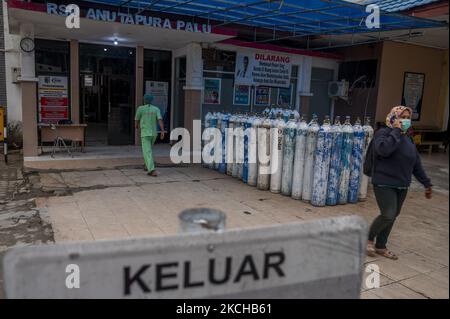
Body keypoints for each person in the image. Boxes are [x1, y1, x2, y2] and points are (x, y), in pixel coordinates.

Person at [367, 106, 432, 260]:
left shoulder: (408, 139)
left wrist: (426, 183)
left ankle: (381, 246)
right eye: (402, 116)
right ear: (393, 117)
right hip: (384, 182)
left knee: (393, 215)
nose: (406, 120)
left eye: (408, 117)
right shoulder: (382, 134)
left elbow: (416, 164)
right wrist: (395, 131)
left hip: (402, 184)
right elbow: (383, 150)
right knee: (388, 213)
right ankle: (368, 238)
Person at [135, 94, 165, 176]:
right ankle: (146, 165)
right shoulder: (156, 109)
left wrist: (136, 126)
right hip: (153, 134)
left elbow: (137, 120)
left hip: (145, 134)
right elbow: (160, 120)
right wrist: (162, 131)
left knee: (147, 151)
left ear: (144, 100)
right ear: (152, 100)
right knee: (148, 150)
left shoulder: (140, 109)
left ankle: (151, 170)